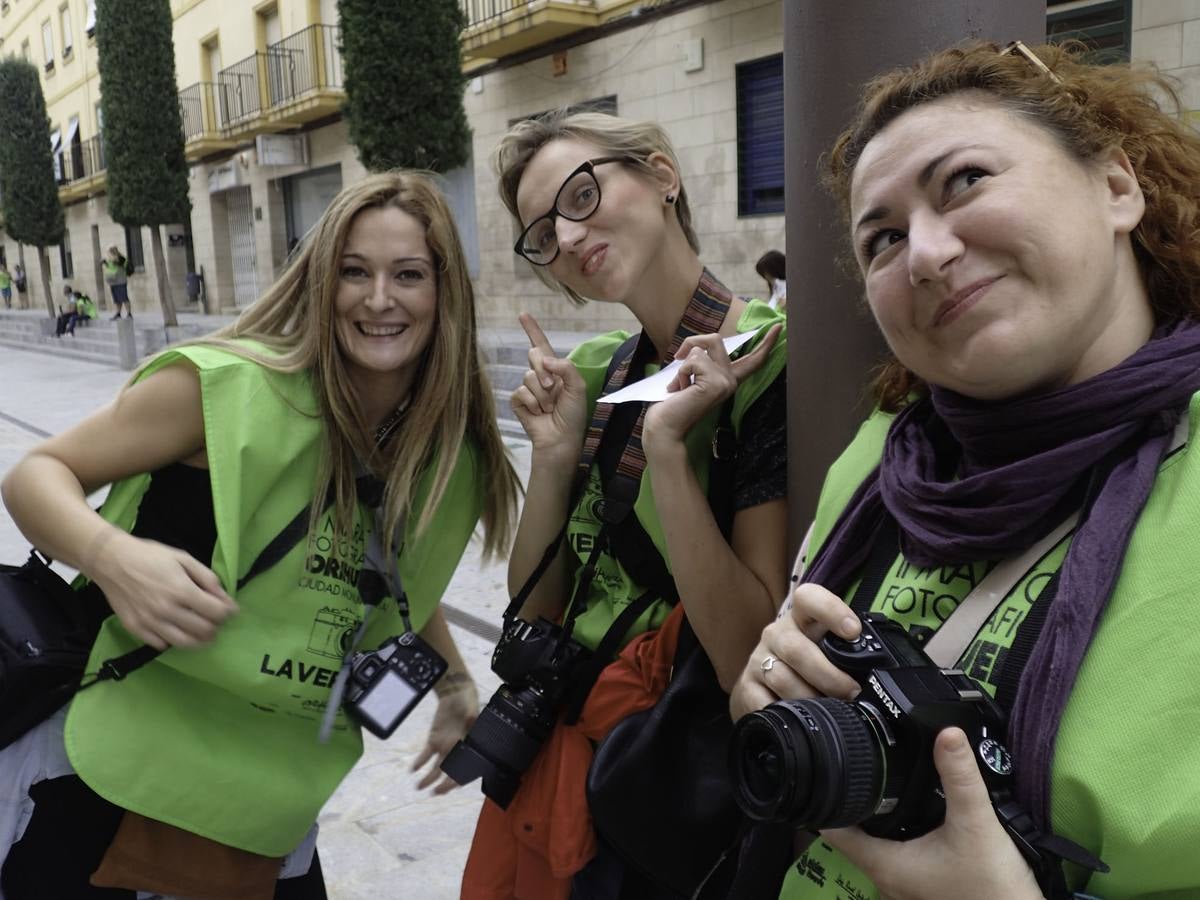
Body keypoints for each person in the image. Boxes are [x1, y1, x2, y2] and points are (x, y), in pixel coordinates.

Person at [729, 40, 1200, 900]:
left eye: (966, 181)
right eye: (882, 239)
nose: (925, 254)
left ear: (1117, 188)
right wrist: (773, 692)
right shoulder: (880, 453)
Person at [0, 171, 521, 898]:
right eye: (353, 272)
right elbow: (36, 475)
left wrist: (456, 684)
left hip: (266, 805)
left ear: (445, 294)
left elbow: (383, 575)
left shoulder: (436, 457)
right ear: (319, 281)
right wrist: (112, 556)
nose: (379, 299)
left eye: (408, 274)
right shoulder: (226, 390)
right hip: (110, 772)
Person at [461, 110, 789, 897]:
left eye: (579, 196)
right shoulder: (601, 371)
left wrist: (670, 453)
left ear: (662, 176)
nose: (566, 240)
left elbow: (748, 651)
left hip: (669, 772)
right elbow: (537, 605)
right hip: (570, 753)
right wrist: (552, 452)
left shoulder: (770, 359)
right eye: (542, 233)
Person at [102, 245, 132, 319]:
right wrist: (105, 263)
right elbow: (111, 267)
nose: (108, 254)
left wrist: (114, 259)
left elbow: (120, 264)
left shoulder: (121, 258)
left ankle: (129, 313)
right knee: (116, 299)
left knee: (124, 297)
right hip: (113, 282)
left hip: (120, 281)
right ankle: (118, 313)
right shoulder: (111, 259)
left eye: (110, 252)